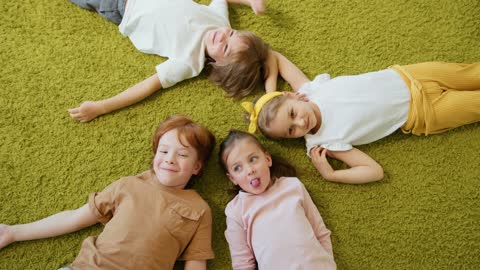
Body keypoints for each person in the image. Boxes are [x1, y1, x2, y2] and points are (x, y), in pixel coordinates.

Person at [0, 114, 216, 270]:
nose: (169, 158)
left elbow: (196, 262)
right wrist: (14, 232)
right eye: (164, 150)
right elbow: (75, 218)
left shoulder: (199, 210)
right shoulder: (129, 185)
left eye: (182, 155)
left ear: (197, 167)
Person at [241, 62, 480, 184]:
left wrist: (269, 87)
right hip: (423, 112)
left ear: (291, 96)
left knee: (473, 73)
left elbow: (276, 58)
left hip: (412, 75)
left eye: (293, 114)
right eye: (291, 131)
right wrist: (332, 175)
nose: (301, 123)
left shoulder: (310, 89)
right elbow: (375, 171)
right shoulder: (324, 143)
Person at [67, 0, 271, 122]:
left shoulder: (189, 62)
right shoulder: (219, 22)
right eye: (233, 33)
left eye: (225, 46)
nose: (223, 34)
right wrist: (250, 2)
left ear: (219, 65)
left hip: (121, 6)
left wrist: (101, 107)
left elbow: (149, 85)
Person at [219, 129, 336, 269]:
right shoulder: (235, 211)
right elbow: (242, 264)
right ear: (232, 178)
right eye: (238, 168)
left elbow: (320, 232)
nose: (250, 170)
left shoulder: (292, 186)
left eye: (253, 159)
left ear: (267, 159)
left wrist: (328, 263)